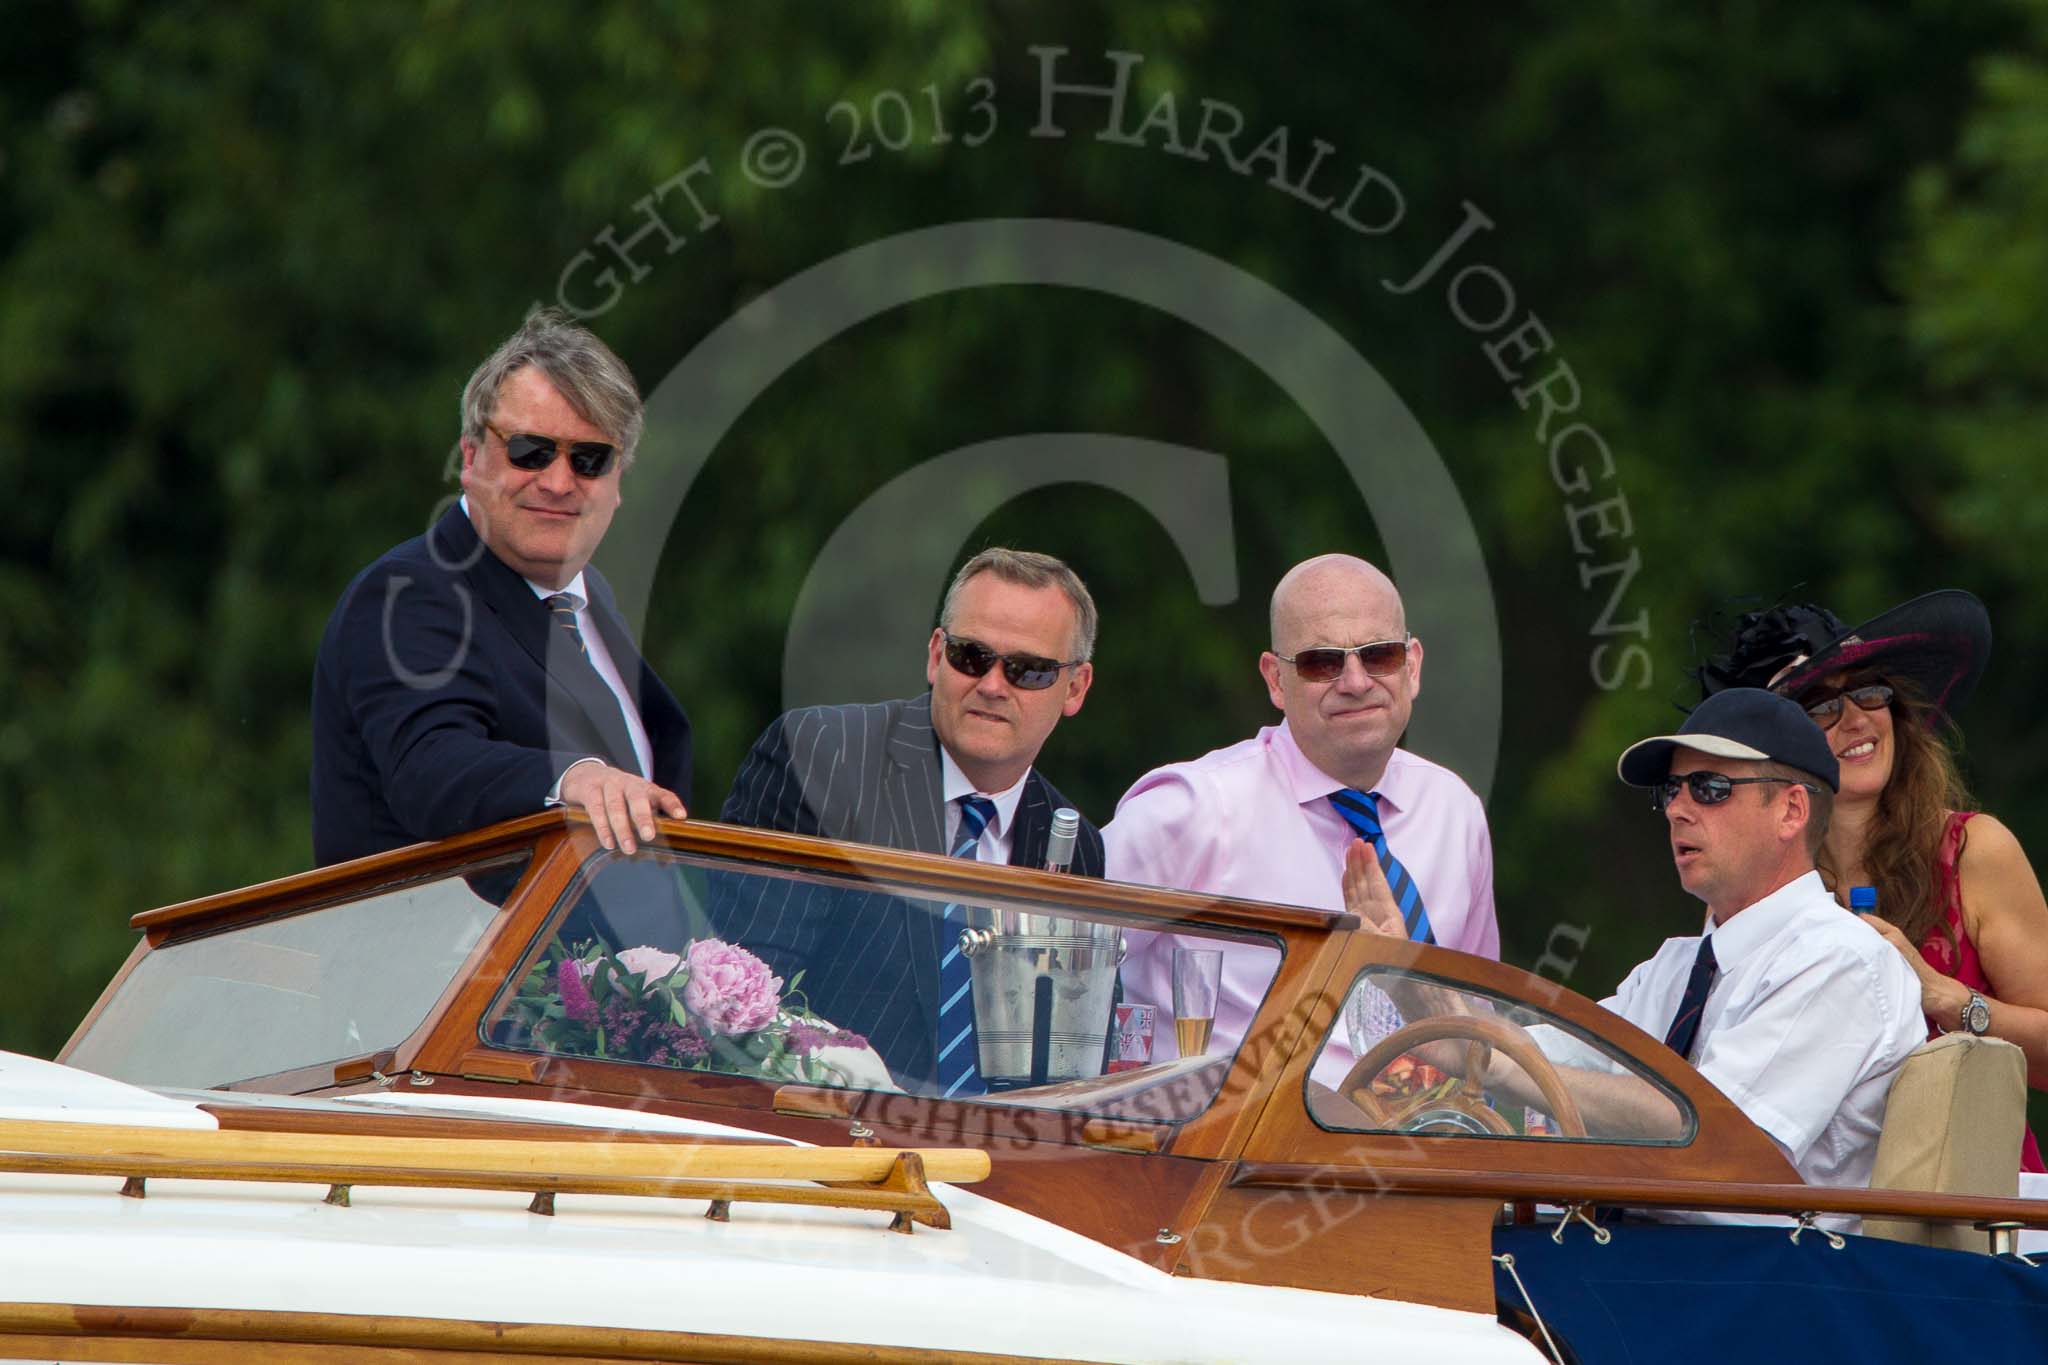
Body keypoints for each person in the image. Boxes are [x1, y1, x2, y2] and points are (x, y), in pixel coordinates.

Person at [1348, 688, 1924, 1218]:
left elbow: (1716, 1136)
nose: (1677, 808)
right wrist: (1407, 980)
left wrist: (1489, 1060)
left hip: (1767, 1290)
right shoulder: (1677, 967)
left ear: (1791, 812)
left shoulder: (1841, 959)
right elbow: (1547, 1053)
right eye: (1672, 790)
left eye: (1711, 788)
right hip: (1657, 1271)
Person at [312, 308, 691, 867]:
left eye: (590, 460)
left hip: (626, 951)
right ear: (471, 457)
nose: (559, 482)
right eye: (530, 451)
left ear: (618, 483)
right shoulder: (408, 591)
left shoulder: (589, 601)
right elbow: (430, 766)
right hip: (453, 952)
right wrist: (574, 777)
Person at [718, 548, 1105, 1093]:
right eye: (972, 656)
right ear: (935, 655)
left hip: (995, 1162)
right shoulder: (820, 756)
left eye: (1028, 670)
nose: (994, 685)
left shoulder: (1074, 843)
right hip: (819, 1140)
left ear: (1076, 688)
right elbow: (747, 1001)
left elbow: (1062, 1061)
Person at [1105, 554, 1497, 1074]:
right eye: (1322, 662)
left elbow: (1479, 1012)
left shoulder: (1454, 810)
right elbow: (1058, 964)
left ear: (1413, 665)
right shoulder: (1193, 808)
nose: (1355, 681)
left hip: (1427, 1141)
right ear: (1275, 679)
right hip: (1234, 1146)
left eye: (1378, 655)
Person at [1699, 589, 2048, 1171]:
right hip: (1823, 1227)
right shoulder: (1749, 888)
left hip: (1975, 1222)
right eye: (1819, 705)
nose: (1857, 718)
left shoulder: (1973, 850)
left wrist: (1948, 999)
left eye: (1868, 690)